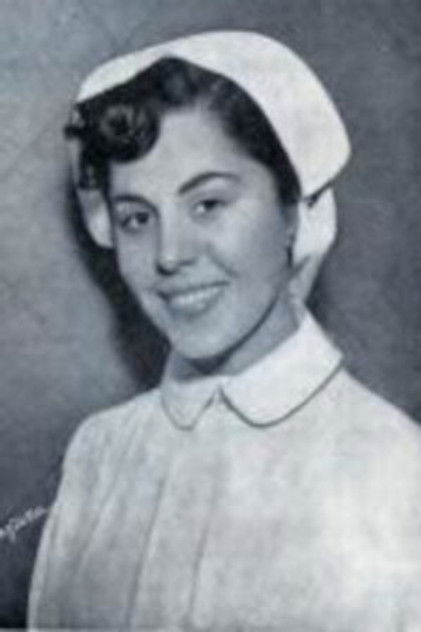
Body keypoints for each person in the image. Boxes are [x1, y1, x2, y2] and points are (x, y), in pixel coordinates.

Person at [28, 31, 421, 631]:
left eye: (208, 204)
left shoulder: (397, 473)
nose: (169, 254)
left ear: (294, 211)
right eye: (136, 218)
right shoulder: (98, 454)